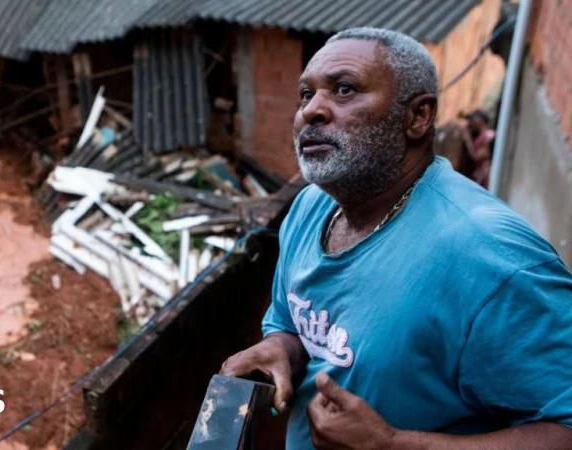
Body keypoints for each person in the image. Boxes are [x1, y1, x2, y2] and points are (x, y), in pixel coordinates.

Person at [221, 27, 572, 450]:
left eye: (344, 89)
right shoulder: (310, 208)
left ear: (418, 117)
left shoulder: (491, 259)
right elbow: (290, 322)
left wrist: (391, 444)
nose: (312, 111)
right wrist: (282, 347)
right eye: (305, 94)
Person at [461, 109, 495, 188]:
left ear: (481, 120)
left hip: (485, 176)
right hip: (479, 176)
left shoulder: (488, 136)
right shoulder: (480, 137)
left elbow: (476, 156)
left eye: (474, 118)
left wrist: (468, 140)